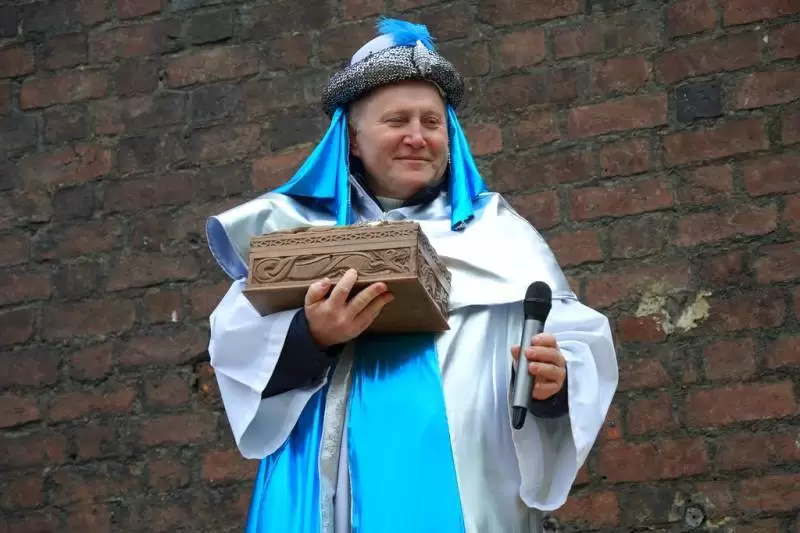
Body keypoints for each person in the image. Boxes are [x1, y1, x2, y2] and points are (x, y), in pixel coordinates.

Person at [205, 18, 618, 533]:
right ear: (352, 140)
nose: (417, 138)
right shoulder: (291, 232)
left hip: (467, 492)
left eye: (432, 122)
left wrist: (555, 384)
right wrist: (311, 337)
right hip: (325, 487)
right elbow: (235, 344)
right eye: (397, 120)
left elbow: (577, 341)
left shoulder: (500, 236)